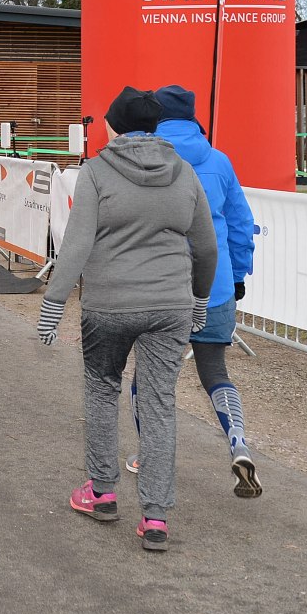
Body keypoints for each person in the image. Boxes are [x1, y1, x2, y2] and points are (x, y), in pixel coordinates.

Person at [37, 86, 216, 553]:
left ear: (114, 126)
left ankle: (102, 492)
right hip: (170, 305)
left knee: (102, 391)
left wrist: (54, 304)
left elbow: (77, 243)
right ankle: (155, 516)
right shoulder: (184, 172)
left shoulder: (96, 172)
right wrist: (199, 300)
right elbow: (206, 247)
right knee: (158, 404)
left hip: (109, 305)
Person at [129, 85, 262, 497]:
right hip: (215, 284)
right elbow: (241, 224)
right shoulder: (219, 161)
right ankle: (238, 442)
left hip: (158, 285)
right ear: (192, 116)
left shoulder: (141, 157)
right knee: (215, 372)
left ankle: (150, 455)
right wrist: (238, 275)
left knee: (149, 377)